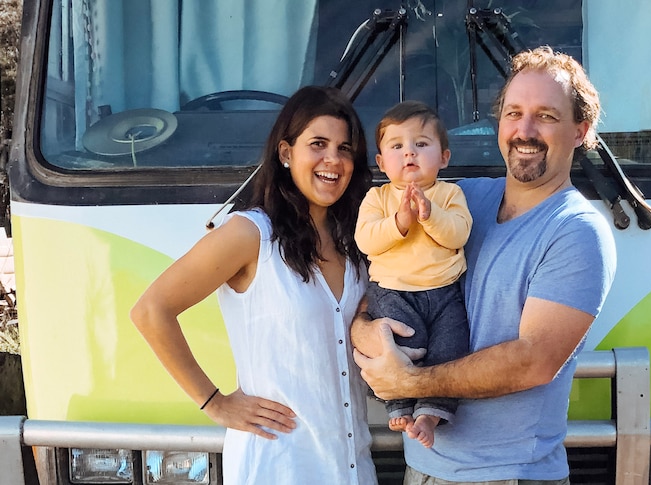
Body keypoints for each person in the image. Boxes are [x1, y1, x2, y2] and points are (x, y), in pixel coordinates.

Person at [351, 46, 617, 484]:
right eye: (514, 113)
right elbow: (383, 276)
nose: (524, 130)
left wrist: (410, 384)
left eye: (546, 116)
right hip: (423, 469)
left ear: (580, 131)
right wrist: (367, 329)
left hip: (509, 476)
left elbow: (533, 361)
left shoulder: (577, 231)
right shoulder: (464, 197)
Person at [131, 85, 377, 484]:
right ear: (285, 153)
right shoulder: (251, 234)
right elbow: (150, 310)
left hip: (351, 469)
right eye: (318, 144)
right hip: (277, 468)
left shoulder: (357, 242)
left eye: (345, 148)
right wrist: (215, 403)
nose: (333, 159)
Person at [355, 100, 472, 448]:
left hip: (446, 292)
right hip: (393, 291)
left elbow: (458, 233)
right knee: (406, 346)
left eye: (421, 144)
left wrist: (429, 214)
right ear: (380, 162)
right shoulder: (376, 199)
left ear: (444, 157)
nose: (410, 153)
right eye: (397, 146)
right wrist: (399, 222)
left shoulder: (450, 194)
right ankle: (400, 404)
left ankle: (431, 414)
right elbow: (366, 240)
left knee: (449, 350)